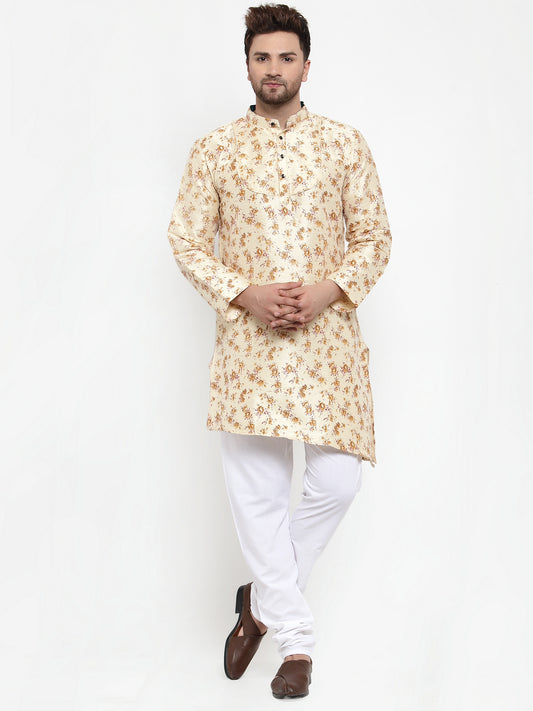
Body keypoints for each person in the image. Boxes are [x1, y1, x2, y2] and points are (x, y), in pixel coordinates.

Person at [166, 3, 391, 699]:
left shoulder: (344, 144)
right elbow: (185, 240)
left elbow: (374, 237)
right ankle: (295, 644)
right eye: (262, 57)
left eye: (285, 57)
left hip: (327, 344)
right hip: (250, 347)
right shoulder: (214, 149)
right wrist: (245, 293)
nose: (273, 69)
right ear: (247, 66)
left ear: (306, 66)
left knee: (339, 481)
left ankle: (259, 602)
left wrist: (327, 291)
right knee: (258, 497)